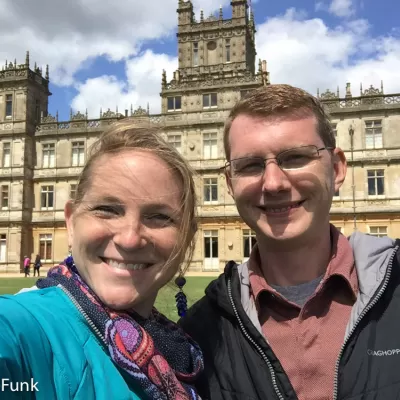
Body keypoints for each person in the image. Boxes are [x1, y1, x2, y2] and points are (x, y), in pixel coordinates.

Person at [179, 84, 400, 400]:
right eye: (251, 165)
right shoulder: (199, 333)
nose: (273, 183)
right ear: (229, 182)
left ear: (337, 168)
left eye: (296, 157)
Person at [0, 121, 203, 399]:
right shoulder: (16, 326)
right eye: (107, 210)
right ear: (71, 222)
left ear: (187, 236)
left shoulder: (179, 348)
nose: (130, 239)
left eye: (159, 217)